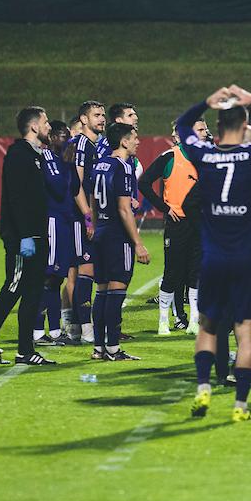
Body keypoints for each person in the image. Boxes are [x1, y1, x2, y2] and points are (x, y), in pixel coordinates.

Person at [180, 86, 251, 423]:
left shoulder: (204, 155)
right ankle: (241, 406)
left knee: (208, 328)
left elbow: (183, 126)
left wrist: (204, 101)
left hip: (213, 258)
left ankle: (204, 386)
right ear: (245, 124)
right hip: (248, 260)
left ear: (217, 125)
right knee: (246, 334)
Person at [0, 107, 57, 366]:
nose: (49, 127)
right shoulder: (18, 154)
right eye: (45, 122)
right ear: (33, 127)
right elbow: (16, 199)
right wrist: (24, 236)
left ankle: (25, 350)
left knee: (33, 293)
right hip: (23, 239)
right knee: (12, 289)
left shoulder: (38, 155)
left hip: (38, 235)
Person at [140, 118, 209, 335]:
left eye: (205, 129)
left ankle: (193, 322)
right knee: (173, 273)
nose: (205, 133)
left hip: (199, 223)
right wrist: (164, 207)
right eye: (200, 130)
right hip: (177, 223)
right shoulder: (171, 156)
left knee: (196, 273)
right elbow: (143, 183)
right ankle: (163, 322)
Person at [88, 122, 151, 361]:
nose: (137, 141)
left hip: (102, 232)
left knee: (101, 291)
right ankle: (113, 348)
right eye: (134, 137)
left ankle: (98, 348)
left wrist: (94, 225)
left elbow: (94, 199)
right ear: (124, 141)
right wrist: (137, 243)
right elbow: (125, 209)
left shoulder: (100, 164)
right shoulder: (124, 167)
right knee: (116, 291)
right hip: (117, 236)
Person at [34, 121, 79, 347]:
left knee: (55, 279)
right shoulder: (48, 157)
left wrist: (70, 165)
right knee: (46, 277)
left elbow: (75, 188)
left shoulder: (63, 160)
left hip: (64, 222)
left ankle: (53, 331)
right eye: (63, 136)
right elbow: (59, 187)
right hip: (52, 221)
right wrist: (67, 164)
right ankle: (36, 332)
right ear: (51, 137)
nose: (67, 141)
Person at [66, 100, 107, 343]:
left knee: (85, 271)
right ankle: (86, 330)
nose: (101, 119)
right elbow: (77, 184)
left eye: (102, 114)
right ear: (83, 119)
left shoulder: (90, 145)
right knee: (85, 271)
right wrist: (88, 218)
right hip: (79, 219)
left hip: (85, 218)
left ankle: (77, 327)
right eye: (96, 115)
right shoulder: (82, 145)